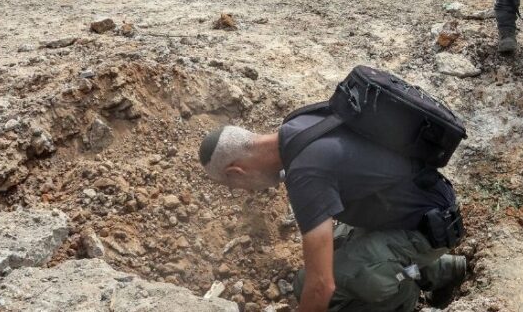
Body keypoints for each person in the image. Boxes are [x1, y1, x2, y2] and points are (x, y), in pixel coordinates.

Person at [198, 122, 468, 311]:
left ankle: (403, 297)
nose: (242, 191)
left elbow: (321, 286)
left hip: (428, 227)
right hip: (410, 208)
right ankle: (437, 269)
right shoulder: (297, 128)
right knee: (320, 267)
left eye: (232, 186)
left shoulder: (304, 173)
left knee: (331, 285)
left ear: (236, 172)